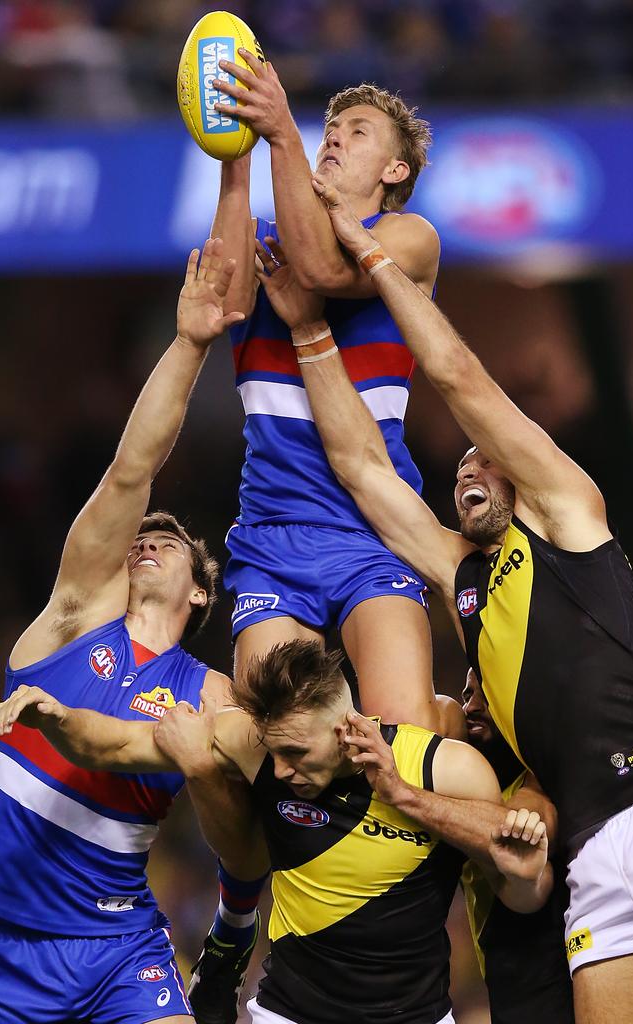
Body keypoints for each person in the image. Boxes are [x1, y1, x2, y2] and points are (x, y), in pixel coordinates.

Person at [252, 193, 633, 1024]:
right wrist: (309, 332)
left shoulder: (567, 512)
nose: (465, 472)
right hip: (592, 851)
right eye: (456, 473)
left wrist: (375, 264)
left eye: (481, 460)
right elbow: (366, 472)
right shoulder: (464, 579)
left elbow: (457, 377)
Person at [0, 240, 268, 1024]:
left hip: (119, 942)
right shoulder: (68, 621)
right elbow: (133, 470)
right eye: (141, 539)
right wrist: (191, 342)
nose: (146, 541)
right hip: (10, 944)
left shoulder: (211, 692)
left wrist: (207, 773)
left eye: (167, 541)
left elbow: (247, 844)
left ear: (201, 592)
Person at [0, 640, 553, 1024]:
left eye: (297, 754)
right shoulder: (254, 743)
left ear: (346, 729)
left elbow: (525, 894)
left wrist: (409, 799)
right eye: (275, 751)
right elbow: (111, 743)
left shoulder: (444, 769)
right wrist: (56, 716)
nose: (281, 771)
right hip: (289, 1011)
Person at [208, 59, 448, 732]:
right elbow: (221, 304)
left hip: (375, 529)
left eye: (359, 131)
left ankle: (460, 728)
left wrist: (282, 129)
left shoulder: (409, 239)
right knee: (278, 739)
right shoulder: (264, 243)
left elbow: (322, 269)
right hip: (272, 534)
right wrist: (237, 153)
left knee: (404, 731)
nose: (335, 137)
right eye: (330, 128)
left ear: (394, 172)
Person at [460, 669, 574, 1024]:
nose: (470, 707)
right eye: (466, 695)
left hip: (548, 986)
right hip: (505, 983)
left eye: (486, 694)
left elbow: (530, 872)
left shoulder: (547, 781)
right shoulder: (474, 785)